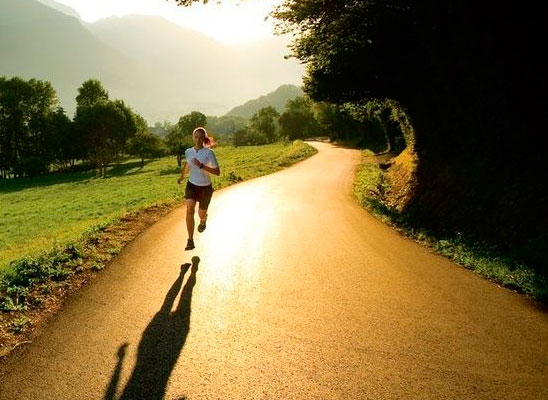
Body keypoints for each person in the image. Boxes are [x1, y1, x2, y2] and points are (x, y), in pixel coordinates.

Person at [177, 127, 220, 250]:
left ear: (204, 139)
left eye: (200, 137)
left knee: (201, 214)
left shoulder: (209, 153)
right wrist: (182, 177)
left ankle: (204, 219)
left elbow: (217, 172)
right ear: (193, 137)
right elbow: (188, 165)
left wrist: (202, 166)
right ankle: (190, 240)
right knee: (189, 210)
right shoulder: (188, 151)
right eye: (196, 137)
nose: (198, 139)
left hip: (205, 188)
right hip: (192, 185)